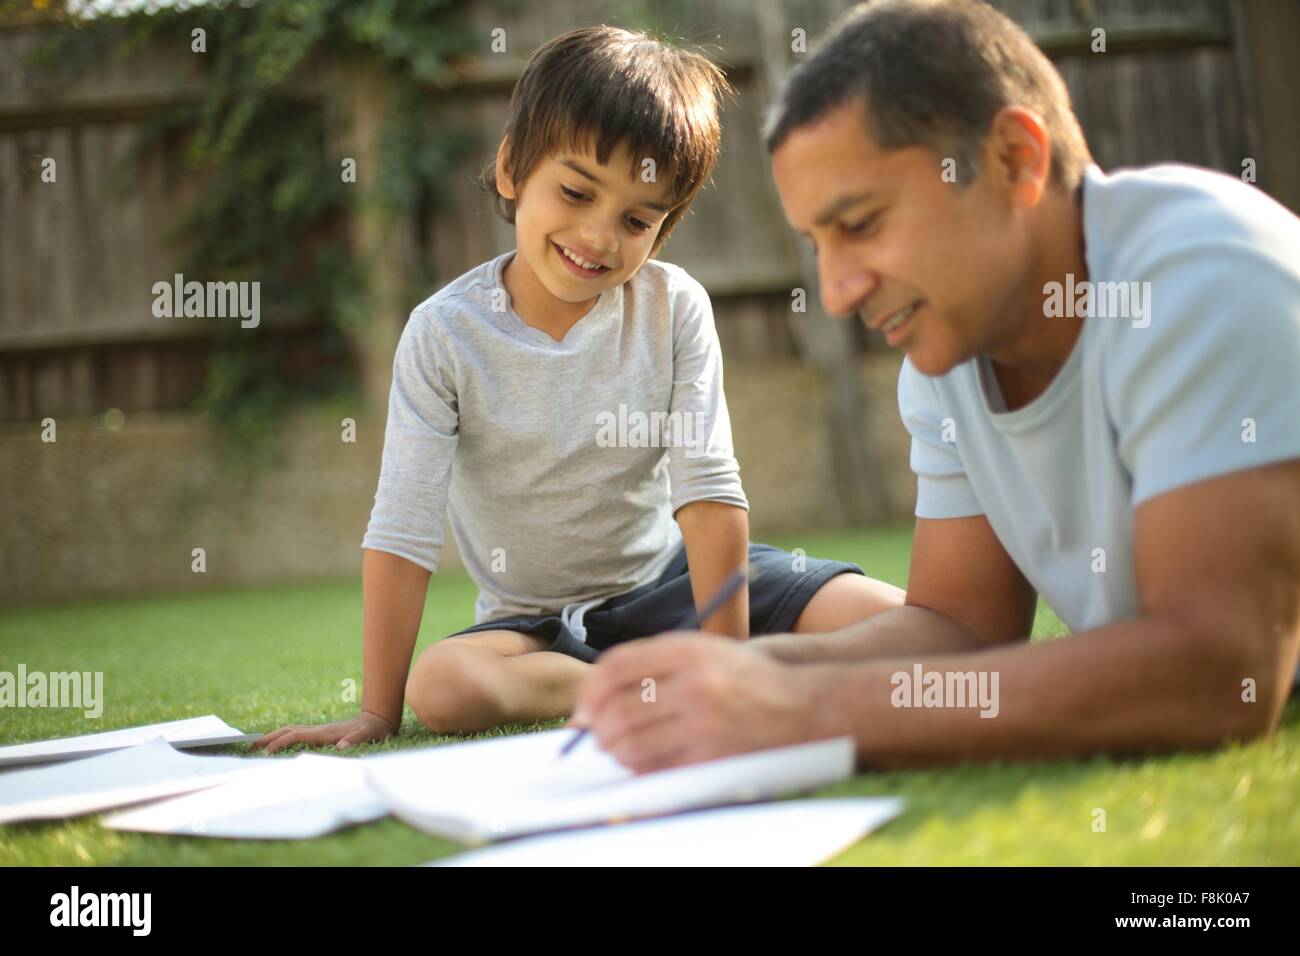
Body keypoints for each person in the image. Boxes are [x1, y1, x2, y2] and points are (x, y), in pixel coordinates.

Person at [570, 0, 1300, 774]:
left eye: (862, 223)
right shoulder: (947, 353)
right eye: (817, 244)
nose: (840, 292)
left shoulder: (1205, 276)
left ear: (1016, 160)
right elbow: (959, 627)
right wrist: (755, 673)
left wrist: (807, 712)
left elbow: (1221, 676)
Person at [253, 25, 903, 754]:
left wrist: (729, 668)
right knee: (442, 687)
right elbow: (404, 527)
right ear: (510, 170)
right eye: (575, 191)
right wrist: (376, 714)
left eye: (635, 219)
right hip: (536, 631)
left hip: (674, 586)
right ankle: (626, 681)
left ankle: (699, 671)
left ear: (662, 231)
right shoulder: (443, 335)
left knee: (899, 619)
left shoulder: (674, 307)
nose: (598, 236)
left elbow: (708, 489)